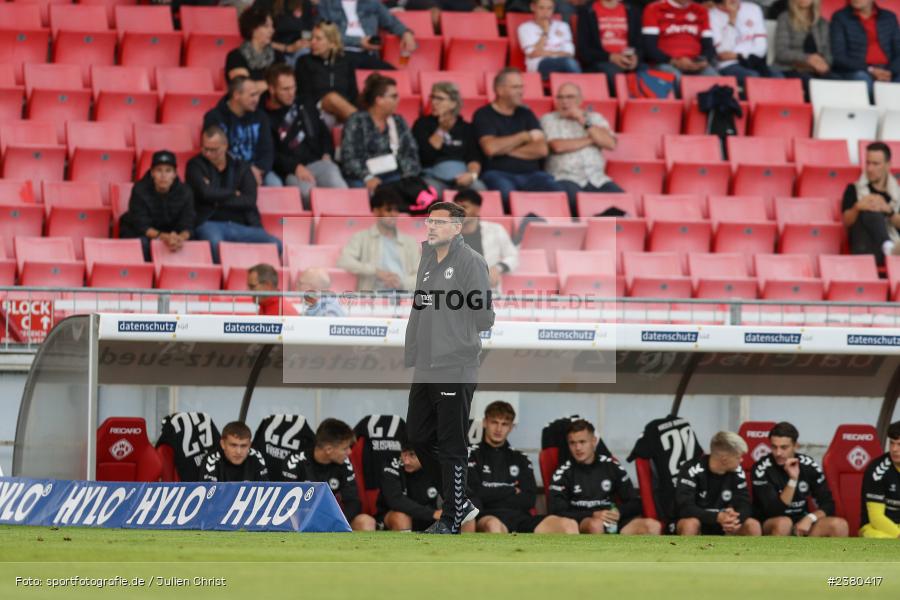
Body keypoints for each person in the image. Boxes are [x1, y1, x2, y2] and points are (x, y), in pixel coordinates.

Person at [405, 201, 496, 534]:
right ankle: (461, 502)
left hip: (456, 364)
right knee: (416, 434)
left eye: (440, 223)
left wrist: (453, 330)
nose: (431, 227)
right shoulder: (427, 260)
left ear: (457, 228)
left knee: (451, 444)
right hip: (426, 364)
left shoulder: (472, 262)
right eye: (429, 222)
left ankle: (451, 518)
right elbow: (419, 306)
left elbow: (485, 315)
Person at [464, 401, 576, 534]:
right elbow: (476, 494)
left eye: (504, 424)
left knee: (569, 525)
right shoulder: (471, 455)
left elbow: (529, 500)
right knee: (492, 525)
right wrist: (511, 489)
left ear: (511, 427)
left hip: (521, 518)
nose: (499, 429)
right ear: (484, 422)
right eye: (494, 422)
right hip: (489, 515)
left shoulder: (521, 458)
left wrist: (492, 493)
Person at [187, 125, 283, 263]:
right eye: (205, 149)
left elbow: (249, 200)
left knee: (276, 245)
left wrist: (216, 198)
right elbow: (204, 193)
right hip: (210, 222)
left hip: (244, 224)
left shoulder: (241, 167)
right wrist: (233, 193)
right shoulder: (195, 165)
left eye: (213, 150)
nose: (208, 154)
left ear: (225, 146)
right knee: (215, 244)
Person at [548, 419, 662, 535]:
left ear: (594, 441)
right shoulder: (562, 473)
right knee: (595, 525)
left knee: (653, 526)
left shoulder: (611, 465)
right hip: (583, 522)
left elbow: (635, 502)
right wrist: (592, 514)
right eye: (572, 443)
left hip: (612, 521)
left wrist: (619, 512)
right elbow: (557, 511)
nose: (578, 448)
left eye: (582, 442)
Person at [472, 68, 563, 211]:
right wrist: (524, 136)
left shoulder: (526, 113)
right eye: (515, 87)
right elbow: (490, 148)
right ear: (500, 90)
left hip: (533, 175)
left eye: (521, 87)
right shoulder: (483, 114)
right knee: (508, 196)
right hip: (498, 174)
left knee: (557, 195)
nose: (521, 91)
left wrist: (504, 148)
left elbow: (542, 150)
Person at [263, 64, 347, 208]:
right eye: (285, 89)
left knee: (337, 186)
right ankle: (316, 229)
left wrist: (327, 153)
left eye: (293, 87)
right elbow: (270, 152)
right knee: (307, 193)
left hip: (317, 162)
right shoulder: (263, 115)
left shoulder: (304, 102)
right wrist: (295, 167)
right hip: (290, 170)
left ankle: (344, 228)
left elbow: (323, 132)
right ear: (272, 89)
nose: (291, 93)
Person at [751, 421, 848, 537]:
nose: (778, 453)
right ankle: (777, 555)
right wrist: (793, 479)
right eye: (774, 447)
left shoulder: (808, 464)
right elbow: (774, 511)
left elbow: (828, 504)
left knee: (839, 525)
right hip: (771, 523)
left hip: (801, 521)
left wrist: (810, 518)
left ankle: (812, 555)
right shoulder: (761, 468)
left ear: (796, 446)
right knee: (784, 523)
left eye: (784, 447)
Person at [541, 82, 624, 215]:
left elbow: (610, 143)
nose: (564, 102)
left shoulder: (595, 118)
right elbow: (558, 146)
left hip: (597, 178)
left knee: (622, 204)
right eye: (560, 98)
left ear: (580, 100)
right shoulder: (549, 119)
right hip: (566, 178)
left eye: (570, 97)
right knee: (579, 205)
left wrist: (583, 120)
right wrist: (593, 139)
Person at [281, 418, 376, 531]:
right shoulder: (294, 462)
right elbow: (286, 503)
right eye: (345, 448)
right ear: (328, 449)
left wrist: (333, 521)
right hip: (299, 520)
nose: (349, 452)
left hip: (332, 519)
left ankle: (347, 549)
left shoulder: (345, 464)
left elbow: (353, 501)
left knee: (367, 522)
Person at [340, 73, 421, 193]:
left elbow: (411, 153)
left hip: (395, 175)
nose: (398, 100)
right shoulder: (357, 121)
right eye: (393, 96)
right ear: (379, 100)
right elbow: (349, 158)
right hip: (363, 178)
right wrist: (367, 177)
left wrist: (407, 178)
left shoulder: (398, 121)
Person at [675, 431, 762, 536]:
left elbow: (745, 504)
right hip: (698, 521)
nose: (741, 460)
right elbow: (685, 508)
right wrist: (717, 517)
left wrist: (735, 518)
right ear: (724, 459)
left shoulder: (737, 470)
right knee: (690, 524)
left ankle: (754, 553)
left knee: (753, 525)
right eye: (738, 457)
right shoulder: (691, 469)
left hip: (724, 525)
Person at [336, 186, 421, 292]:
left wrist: (401, 283)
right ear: (376, 211)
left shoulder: (410, 242)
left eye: (396, 210)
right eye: (388, 210)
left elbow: (421, 275)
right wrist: (375, 271)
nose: (393, 214)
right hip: (371, 297)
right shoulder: (361, 238)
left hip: (403, 296)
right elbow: (343, 261)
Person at [119, 150, 194, 261]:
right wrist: (165, 237)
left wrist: (179, 238)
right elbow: (142, 225)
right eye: (159, 170)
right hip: (138, 231)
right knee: (143, 242)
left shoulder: (185, 192)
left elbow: (188, 223)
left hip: (169, 232)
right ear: (152, 173)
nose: (163, 175)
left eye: (168, 171)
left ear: (174, 174)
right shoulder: (140, 189)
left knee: (190, 242)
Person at [412, 82, 485, 197]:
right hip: (433, 176)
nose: (433, 102)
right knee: (429, 193)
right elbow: (424, 157)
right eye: (432, 97)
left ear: (453, 103)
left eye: (439, 99)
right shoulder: (422, 124)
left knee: (478, 188)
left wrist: (471, 175)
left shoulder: (466, 128)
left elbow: (474, 157)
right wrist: (441, 130)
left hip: (461, 176)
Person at [203, 76, 276, 187]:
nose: (257, 99)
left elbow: (267, 151)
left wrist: (259, 170)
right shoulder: (214, 118)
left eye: (258, 94)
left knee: (276, 185)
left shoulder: (261, 117)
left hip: (258, 171)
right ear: (236, 95)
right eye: (252, 95)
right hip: (227, 172)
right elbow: (214, 153)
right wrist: (246, 171)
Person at [841, 142, 900, 266]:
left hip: (893, 243)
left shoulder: (897, 193)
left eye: (875, 164)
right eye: (867, 163)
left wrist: (888, 211)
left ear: (887, 165)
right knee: (870, 209)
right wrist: (858, 207)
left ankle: (889, 247)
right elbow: (846, 221)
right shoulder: (854, 188)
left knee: (874, 207)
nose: (869, 168)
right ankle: (888, 247)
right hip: (865, 248)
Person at [315, 0, 417, 70]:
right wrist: (359, 42)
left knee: (392, 76)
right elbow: (326, 34)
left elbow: (391, 21)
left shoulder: (372, 3)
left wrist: (405, 32)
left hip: (368, 54)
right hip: (340, 53)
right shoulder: (327, 4)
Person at [452, 189, 519, 290]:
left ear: (477, 209)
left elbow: (513, 256)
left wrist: (497, 268)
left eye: (464, 207)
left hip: (489, 294)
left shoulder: (495, 230)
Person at [295, 21, 359, 124]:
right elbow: (304, 94)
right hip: (317, 110)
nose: (313, 42)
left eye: (318, 39)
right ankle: (365, 126)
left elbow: (353, 93)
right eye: (312, 38)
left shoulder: (346, 61)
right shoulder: (304, 61)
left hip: (344, 111)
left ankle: (362, 125)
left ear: (332, 43)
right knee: (332, 98)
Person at [830, 0, 900, 95]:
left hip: (888, 69)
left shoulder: (889, 17)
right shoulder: (840, 18)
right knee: (862, 79)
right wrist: (870, 70)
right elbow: (838, 56)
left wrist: (890, 72)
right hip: (860, 70)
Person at [642, 0, 719, 85]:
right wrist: (674, 61)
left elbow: (708, 45)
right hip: (666, 63)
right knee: (676, 79)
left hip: (695, 64)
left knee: (715, 80)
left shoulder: (700, 10)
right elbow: (649, 47)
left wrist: (703, 60)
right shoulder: (654, 8)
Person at [709, 0, 781, 85]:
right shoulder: (712, 14)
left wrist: (738, 56)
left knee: (777, 76)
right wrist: (732, 20)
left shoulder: (753, 9)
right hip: (727, 65)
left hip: (752, 61)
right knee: (753, 77)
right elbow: (721, 53)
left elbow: (761, 47)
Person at [576, 0, 643, 90]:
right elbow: (584, 51)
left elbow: (640, 44)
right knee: (613, 73)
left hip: (628, 61)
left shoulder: (632, 11)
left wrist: (636, 57)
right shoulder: (587, 11)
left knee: (646, 73)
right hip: (601, 62)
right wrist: (611, 57)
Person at [377, 444, 442, 532]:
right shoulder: (392, 464)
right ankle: (405, 545)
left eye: (412, 455)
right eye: (404, 454)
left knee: (462, 520)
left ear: (423, 454)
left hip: (428, 519)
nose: (406, 461)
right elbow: (396, 500)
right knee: (401, 517)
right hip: (394, 517)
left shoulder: (436, 466)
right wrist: (432, 513)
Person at [519, 0, 581, 80]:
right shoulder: (525, 28)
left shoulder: (563, 26)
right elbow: (532, 53)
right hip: (538, 64)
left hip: (562, 63)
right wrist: (545, 32)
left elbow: (570, 53)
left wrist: (545, 53)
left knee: (569, 64)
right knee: (569, 63)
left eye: (549, 8)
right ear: (533, 7)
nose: (545, 12)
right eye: (541, 8)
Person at [773, 0, 834, 82]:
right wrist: (808, 59)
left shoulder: (822, 23)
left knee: (837, 81)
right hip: (791, 69)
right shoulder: (785, 18)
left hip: (816, 70)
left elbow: (828, 53)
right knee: (809, 81)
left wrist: (825, 64)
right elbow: (781, 52)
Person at [859, 420, 900, 538]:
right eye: (892, 443)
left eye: (899, 444)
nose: (894, 449)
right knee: (880, 539)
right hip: (877, 527)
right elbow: (876, 518)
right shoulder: (877, 470)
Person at [226, 5, 277, 91]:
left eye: (272, 26)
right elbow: (245, 88)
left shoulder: (277, 55)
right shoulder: (235, 56)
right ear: (252, 29)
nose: (272, 30)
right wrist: (274, 86)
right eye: (266, 26)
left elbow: (285, 83)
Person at [199, 421, 269, 482]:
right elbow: (209, 494)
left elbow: (265, 490)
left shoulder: (256, 456)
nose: (238, 451)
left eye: (243, 446)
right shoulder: (212, 459)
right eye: (233, 445)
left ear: (250, 445)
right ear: (223, 444)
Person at [270, 0, 314, 66]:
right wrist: (287, 48)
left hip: (299, 48)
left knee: (305, 54)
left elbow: (308, 30)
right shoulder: (269, 3)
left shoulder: (306, 3)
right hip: (276, 48)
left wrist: (304, 42)